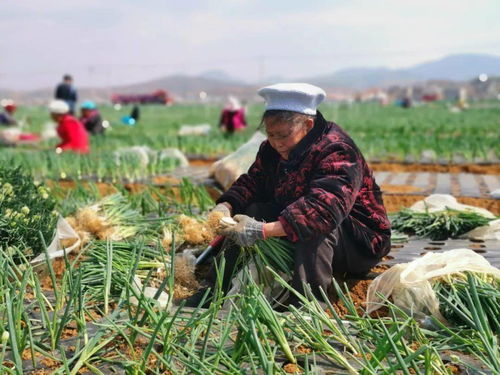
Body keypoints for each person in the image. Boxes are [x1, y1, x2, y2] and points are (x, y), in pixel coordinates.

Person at [186, 83, 391, 308]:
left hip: (358, 241)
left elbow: (323, 210)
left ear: (308, 125)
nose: (276, 143)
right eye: (271, 135)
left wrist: (261, 231)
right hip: (298, 221)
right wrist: (227, 205)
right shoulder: (271, 149)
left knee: (313, 226)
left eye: (283, 135)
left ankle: (307, 305)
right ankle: (213, 290)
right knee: (250, 211)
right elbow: (253, 182)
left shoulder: (336, 150)